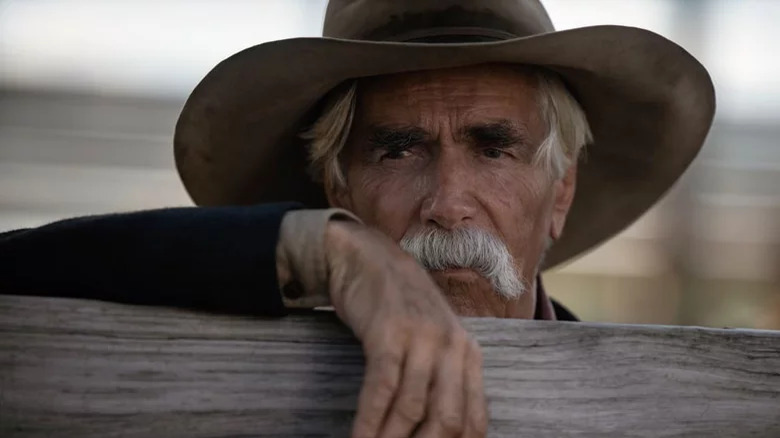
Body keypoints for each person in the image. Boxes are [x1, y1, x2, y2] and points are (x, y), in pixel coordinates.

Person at [0, 0, 715, 437]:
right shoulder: (239, 374)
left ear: (559, 193)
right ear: (335, 184)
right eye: (399, 150)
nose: (447, 202)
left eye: (494, 148)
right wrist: (328, 251)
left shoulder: (654, 412)